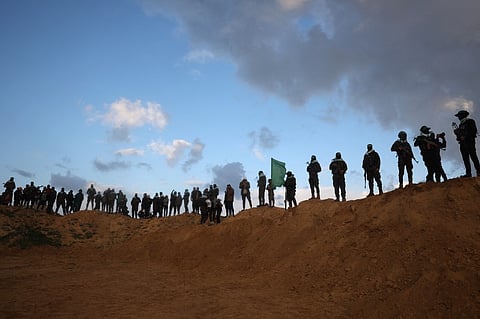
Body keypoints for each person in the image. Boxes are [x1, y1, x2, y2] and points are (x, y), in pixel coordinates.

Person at [453, 110, 480, 177]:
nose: (458, 117)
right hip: (462, 144)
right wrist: (458, 137)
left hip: (470, 142)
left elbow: (474, 131)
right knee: (465, 159)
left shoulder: (470, 121)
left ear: (462, 115)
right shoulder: (461, 124)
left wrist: (465, 136)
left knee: (473, 157)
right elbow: (460, 135)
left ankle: (479, 172)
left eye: (459, 116)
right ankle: (468, 173)